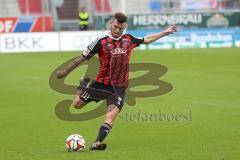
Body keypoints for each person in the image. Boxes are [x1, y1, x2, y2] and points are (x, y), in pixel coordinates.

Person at [56, 12, 177, 150]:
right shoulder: (101, 42)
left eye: (121, 28)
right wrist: (65, 71)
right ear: (111, 24)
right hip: (101, 84)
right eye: (115, 27)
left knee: (111, 116)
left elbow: (146, 39)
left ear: (125, 27)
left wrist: (165, 32)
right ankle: (83, 82)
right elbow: (82, 58)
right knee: (77, 104)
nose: (118, 30)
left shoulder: (129, 39)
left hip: (119, 88)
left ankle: (97, 142)